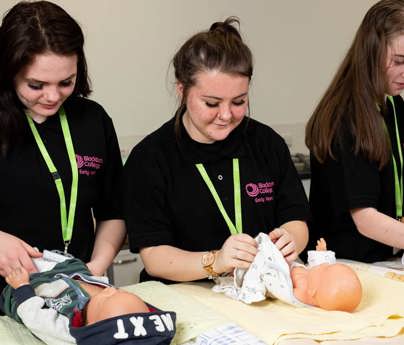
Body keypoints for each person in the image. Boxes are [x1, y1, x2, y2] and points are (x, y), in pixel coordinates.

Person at [124, 17, 309, 283]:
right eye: (211, 103)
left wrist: (291, 239)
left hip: (259, 290)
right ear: (181, 90)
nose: (226, 115)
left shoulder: (267, 143)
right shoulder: (151, 158)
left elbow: (296, 219)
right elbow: (155, 257)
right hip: (186, 296)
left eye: (239, 101)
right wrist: (217, 260)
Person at [0, 0, 125, 293]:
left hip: (73, 291)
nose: (53, 97)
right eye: (36, 85)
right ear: (8, 71)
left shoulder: (93, 120)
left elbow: (114, 210)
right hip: (9, 293)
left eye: (66, 82)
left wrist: (95, 268)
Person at [305, 0, 404, 262]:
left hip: (383, 259)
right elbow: (366, 220)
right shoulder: (346, 116)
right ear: (372, 49)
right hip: (346, 262)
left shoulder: (392, 104)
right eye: (399, 61)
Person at [1, 251, 176, 345]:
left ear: (91, 326)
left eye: (108, 297)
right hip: (76, 276)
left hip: (36, 289)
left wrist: (22, 287)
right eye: (120, 291)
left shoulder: (69, 334)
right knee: (77, 266)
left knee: (13, 291)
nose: (109, 290)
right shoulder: (143, 330)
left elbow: (35, 317)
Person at [213, 234, 362, 313]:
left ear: (313, 290)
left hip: (275, 272)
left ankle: (245, 282)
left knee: (256, 270)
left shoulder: (300, 294)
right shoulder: (315, 283)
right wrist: (322, 253)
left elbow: (277, 286)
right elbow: (319, 266)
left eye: (325, 269)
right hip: (288, 262)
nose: (325, 264)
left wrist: (259, 284)